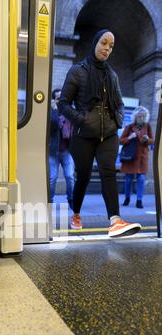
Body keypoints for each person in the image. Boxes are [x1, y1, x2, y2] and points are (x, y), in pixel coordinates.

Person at [58, 29, 141, 237]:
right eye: (104, 43)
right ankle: (75, 213)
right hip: (83, 135)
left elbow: (119, 104)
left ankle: (115, 220)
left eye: (111, 46)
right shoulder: (78, 71)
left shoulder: (112, 75)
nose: (107, 48)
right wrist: (81, 119)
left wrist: (118, 120)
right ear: (96, 42)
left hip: (109, 134)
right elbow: (63, 104)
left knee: (108, 173)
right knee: (83, 177)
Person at [120, 106, 154, 208]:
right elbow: (120, 140)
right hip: (131, 157)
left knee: (142, 179)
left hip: (142, 157)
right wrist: (130, 137)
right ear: (135, 116)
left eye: (143, 116)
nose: (141, 118)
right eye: (139, 116)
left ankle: (139, 200)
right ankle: (127, 198)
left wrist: (147, 139)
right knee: (129, 179)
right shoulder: (129, 127)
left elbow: (152, 140)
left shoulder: (147, 126)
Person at [49, 89, 74, 209]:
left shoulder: (69, 112)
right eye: (58, 98)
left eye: (62, 98)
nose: (61, 101)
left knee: (69, 176)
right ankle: (50, 200)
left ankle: (71, 199)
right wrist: (54, 110)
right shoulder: (50, 112)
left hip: (67, 151)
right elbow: (52, 125)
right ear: (54, 100)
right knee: (52, 178)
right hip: (53, 152)